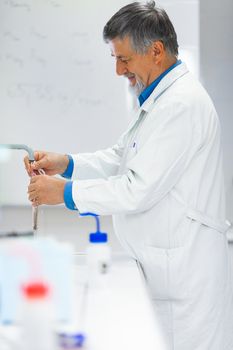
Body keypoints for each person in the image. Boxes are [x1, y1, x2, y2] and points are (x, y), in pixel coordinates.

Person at [25, 2, 233, 349]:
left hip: (183, 277)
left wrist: (64, 194)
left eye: (125, 59)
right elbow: (122, 157)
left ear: (156, 51)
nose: (120, 71)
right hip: (164, 268)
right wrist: (67, 162)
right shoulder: (158, 101)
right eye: (115, 59)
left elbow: (137, 188)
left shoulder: (180, 105)